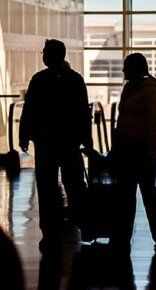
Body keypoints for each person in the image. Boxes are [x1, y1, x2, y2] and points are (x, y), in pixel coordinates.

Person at [19, 39, 93, 250]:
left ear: (48, 56)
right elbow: (82, 114)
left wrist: (24, 136)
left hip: (46, 144)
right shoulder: (75, 79)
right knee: (75, 186)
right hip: (69, 143)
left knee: (47, 187)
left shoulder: (39, 79)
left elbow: (29, 110)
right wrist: (87, 143)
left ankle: (50, 231)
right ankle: (83, 224)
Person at [111, 53, 156, 252]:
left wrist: (151, 151)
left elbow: (153, 123)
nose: (123, 71)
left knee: (140, 193)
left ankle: (127, 237)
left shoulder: (149, 90)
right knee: (135, 194)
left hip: (139, 150)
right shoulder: (134, 88)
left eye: (126, 67)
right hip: (128, 149)